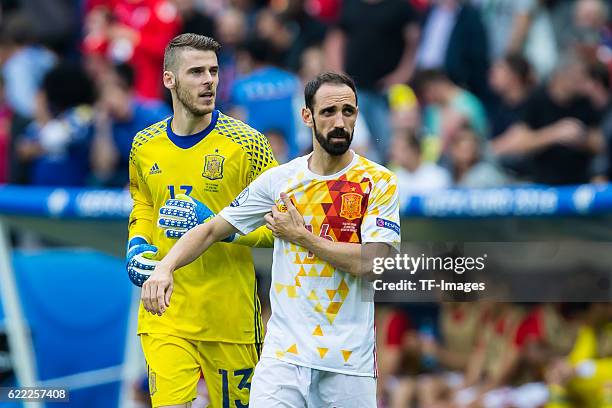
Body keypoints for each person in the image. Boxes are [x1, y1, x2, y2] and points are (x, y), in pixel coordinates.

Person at [142, 72, 401, 407]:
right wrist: (166, 266)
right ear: (307, 116)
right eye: (328, 112)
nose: (340, 122)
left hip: (348, 363)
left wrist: (301, 237)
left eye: (348, 112)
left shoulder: (378, 182)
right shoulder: (281, 180)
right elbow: (212, 228)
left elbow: (373, 263)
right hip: (284, 358)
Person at [126, 33, 277, 408]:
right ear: (169, 79)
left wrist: (225, 230)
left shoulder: (248, 144)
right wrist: (137, 244)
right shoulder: (144, 146)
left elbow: (283, 226)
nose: (209, 80)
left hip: (229, 318)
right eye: (196, 72)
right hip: (165, 310)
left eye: (213, 71)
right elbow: (143, 204)